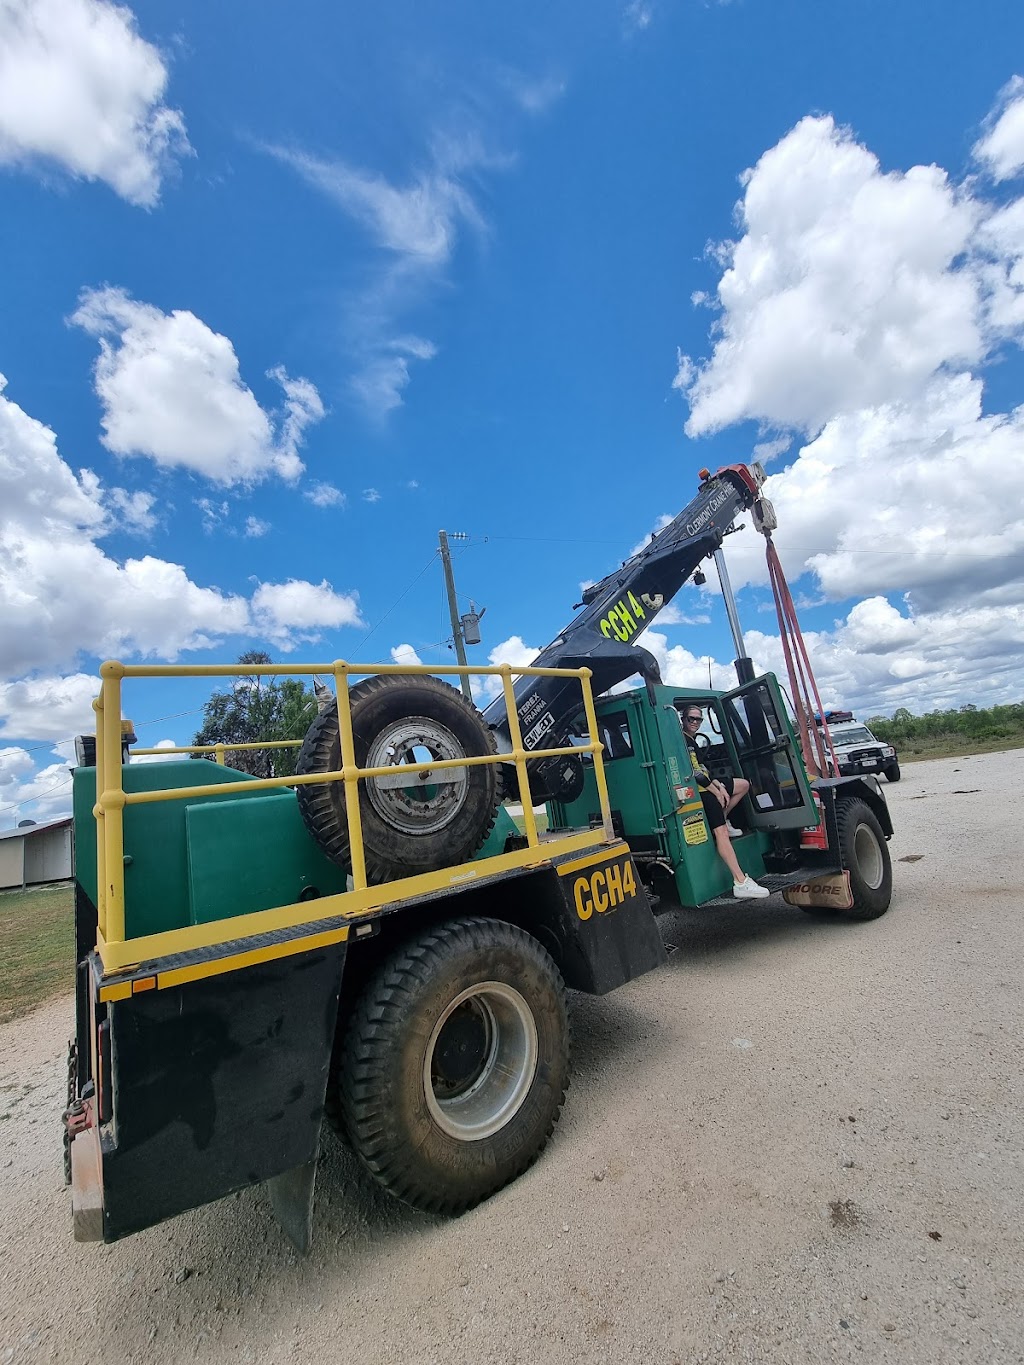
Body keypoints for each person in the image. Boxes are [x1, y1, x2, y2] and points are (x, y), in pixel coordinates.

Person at [680, 705, 770, 900]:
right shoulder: (684, 741)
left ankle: (724, 818)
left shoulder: (692, 741)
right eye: (691, 719)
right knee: (720, 833)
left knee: (743, 785)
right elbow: (695, 774)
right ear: (683, 719)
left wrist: (719, 787)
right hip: (700, 792)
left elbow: (702, 770)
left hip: (708, 786)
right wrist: (716, 791)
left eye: (698, 719)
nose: (694, 722)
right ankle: (740, 881)